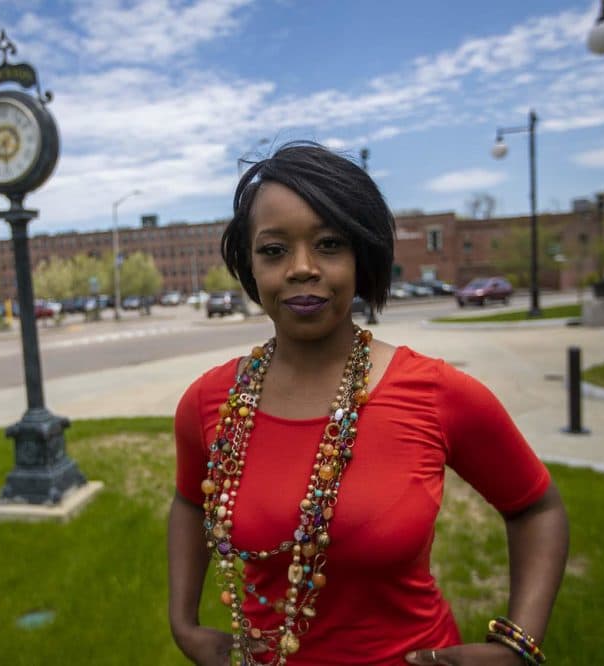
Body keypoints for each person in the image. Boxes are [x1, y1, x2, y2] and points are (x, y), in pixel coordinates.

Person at [167, 142, 569, 666]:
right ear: (249, 264)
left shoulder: (435, 392)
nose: (302, 268)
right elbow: (190, 501)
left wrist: (518, 645)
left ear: (363, 256)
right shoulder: (209, 403)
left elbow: (536, 507)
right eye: (274, 250)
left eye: (330, 244)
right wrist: (183, 624)